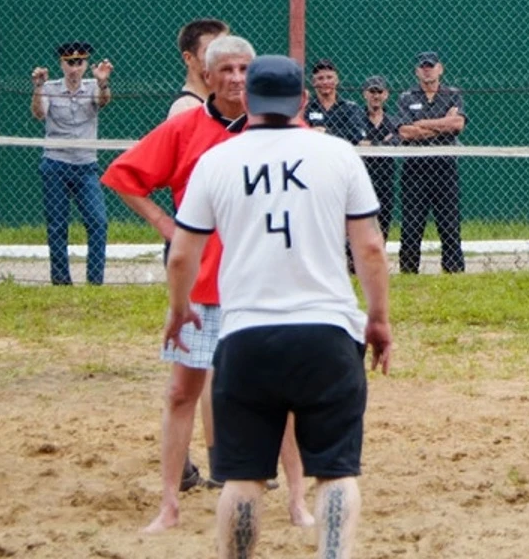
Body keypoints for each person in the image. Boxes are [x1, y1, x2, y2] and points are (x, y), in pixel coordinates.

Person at [164, 55, 393, 559]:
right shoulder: (337, 154)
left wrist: (178, 309)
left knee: (241, 478)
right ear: (303, 101)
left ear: (247, 100)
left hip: (245, 333)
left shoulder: (217, 160)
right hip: (327, 330)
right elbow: (370, 248)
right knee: (336, 472)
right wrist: (377, 319)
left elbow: (182, 253)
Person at [103, 35, 312, 532]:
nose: (237, 78)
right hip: (204, 289)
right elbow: (122, 175)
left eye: (245, 69)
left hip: (264, 284)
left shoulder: (283, 128)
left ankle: (298, 501)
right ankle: (169, 505)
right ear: (208, 75)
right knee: (182, 392)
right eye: (228, 70)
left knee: (280, 398)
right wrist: (164, 223)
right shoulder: (185, 129)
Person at [31, 41, 113, 286]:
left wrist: (102, 81)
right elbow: (38, 114)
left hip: (86, 165)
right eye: (70, 62)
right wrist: (38, 88)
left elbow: (103, 101)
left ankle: (95, 282)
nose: (74, 68)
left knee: (98, 222)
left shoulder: (93, 87)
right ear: (62, 64)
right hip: (55, 163)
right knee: (57, 226)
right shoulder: (51, 88)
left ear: (86, 64)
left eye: (79, 62)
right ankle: (61, 281)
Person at [396, 50, 467, 274]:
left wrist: (423, 123)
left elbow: (457, 125)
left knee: (449, 224)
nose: (427, 70)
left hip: (445, 166)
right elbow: (406, 132)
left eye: (431, 66)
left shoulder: (453, 94)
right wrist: (442, 124)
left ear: (440, 69)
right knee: (411, 225)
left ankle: (454, 271)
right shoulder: (406, 97)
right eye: (423, 67)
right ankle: (408, 272)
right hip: (415, 167)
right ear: (417, 71)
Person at [356, 75, 401, 246]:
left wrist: (371, 143)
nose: (375, 96)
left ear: (386, 95)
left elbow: (397, 141)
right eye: (372, 91)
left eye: (379, 91)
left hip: (385, 179)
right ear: (365, 94)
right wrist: (383, 142)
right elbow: (355, 140)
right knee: (360, 222)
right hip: (361, 177)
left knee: (383, 224)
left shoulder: (393, 120)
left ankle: (378, 258)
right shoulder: (356, 118)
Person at [169, 17, 229, 120]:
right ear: (188, 58)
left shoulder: (219, 105)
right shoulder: (186, 108)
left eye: (225, 49)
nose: (222, 57)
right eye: (211, 51)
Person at [304, 60, 366, 143]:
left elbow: (358, 134)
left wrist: (326, 132)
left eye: (329, 77)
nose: (325, 82)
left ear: (337, 80)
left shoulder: (350, 107)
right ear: (313, 82)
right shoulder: (306, 107)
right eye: (320, 78)